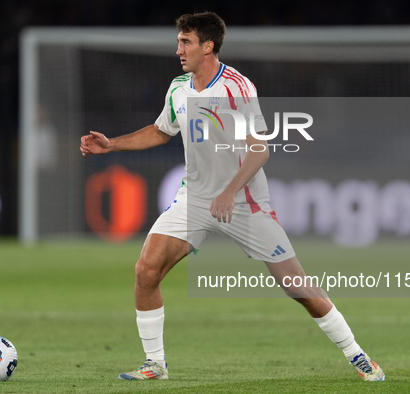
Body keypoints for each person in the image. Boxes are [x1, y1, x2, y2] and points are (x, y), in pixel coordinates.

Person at [80, 11, 384, 382]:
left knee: (298, 287)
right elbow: (161, 131)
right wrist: (112, 145)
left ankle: (358, 356)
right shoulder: (179, 87)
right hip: (195, 198)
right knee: (146, 270)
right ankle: (154, 364)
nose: (178, 49)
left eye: (186, 41)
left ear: (207, 46)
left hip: (244, 203)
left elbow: (260, 149)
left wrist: (229, 192)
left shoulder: (237, 88)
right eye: (179, 41)